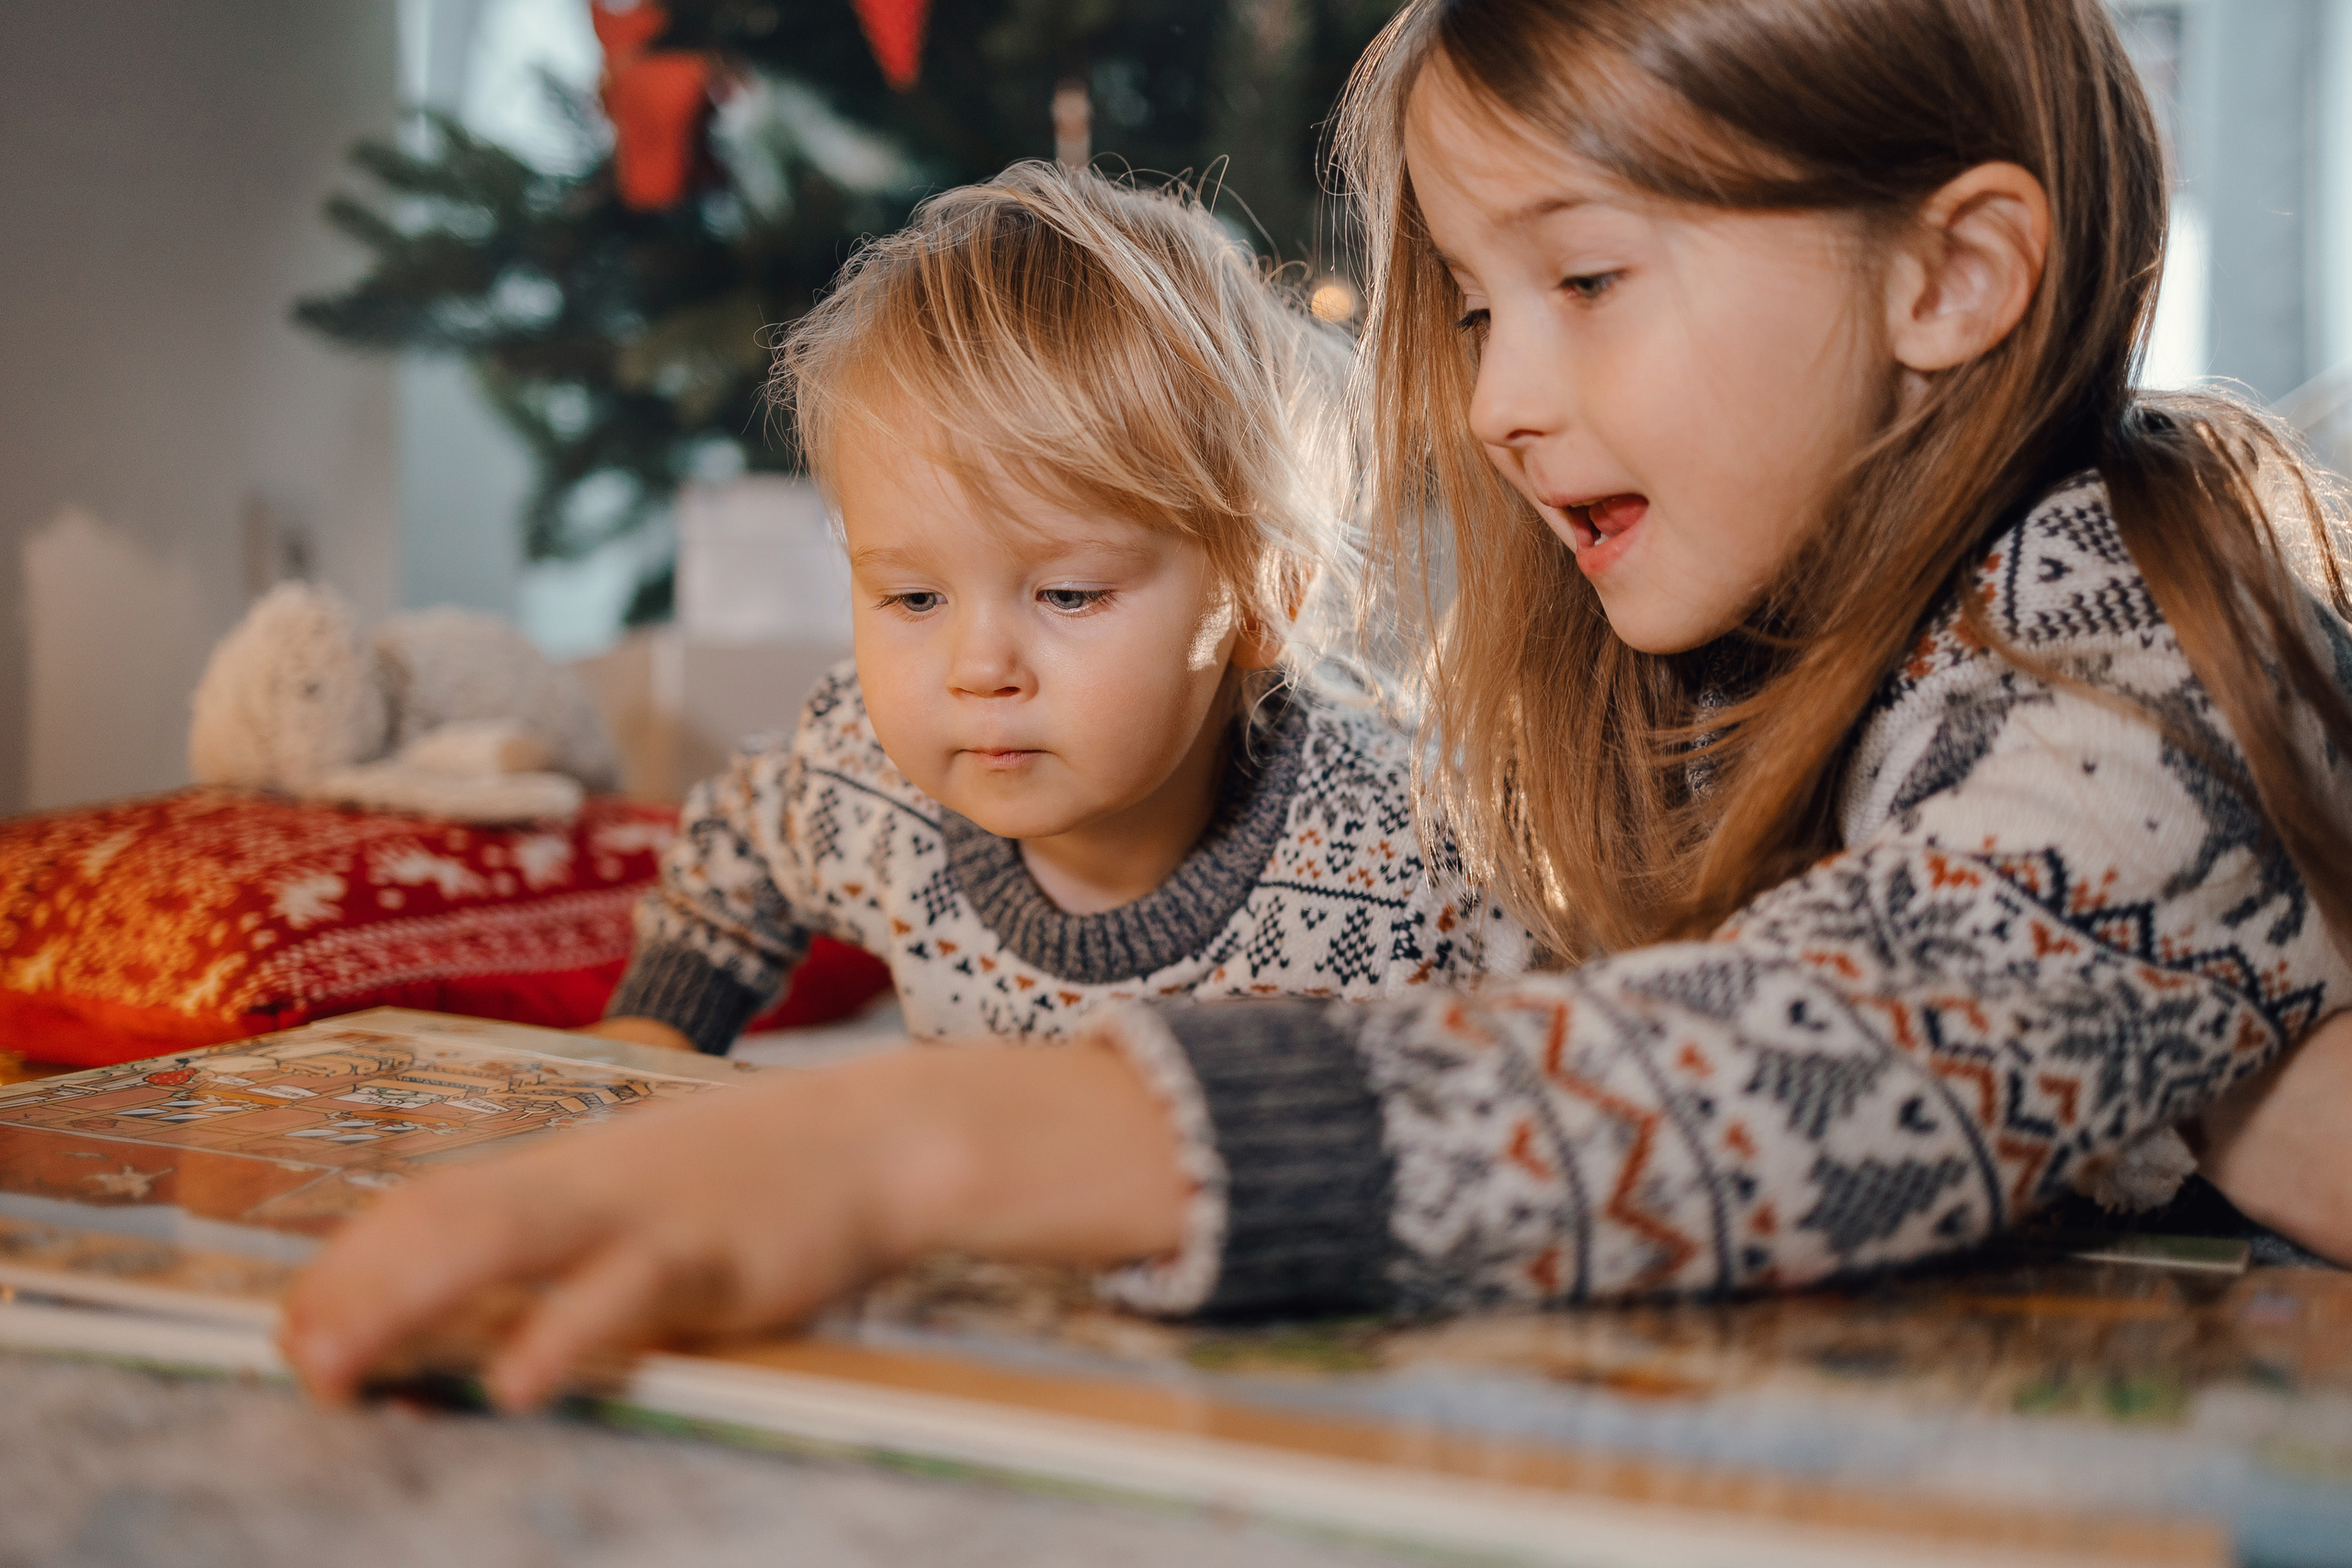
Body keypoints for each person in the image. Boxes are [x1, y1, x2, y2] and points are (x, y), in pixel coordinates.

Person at [284, 0, 2352, 1416]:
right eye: (1466, 303)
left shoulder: (2115, 601)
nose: (1494, 394)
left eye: (1586, 280)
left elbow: (1827, 1055)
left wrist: (907, 1145)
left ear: (1947, 275)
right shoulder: (1740, 647)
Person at [590, 165, 1525, 1061]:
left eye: (1068, 595)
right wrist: (658, 1036)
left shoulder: (1410, 854)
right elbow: (734, 854)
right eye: (915, 597)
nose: (978, 667)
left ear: (1262, 601)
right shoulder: (857, 779)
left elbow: (1567, 1069)